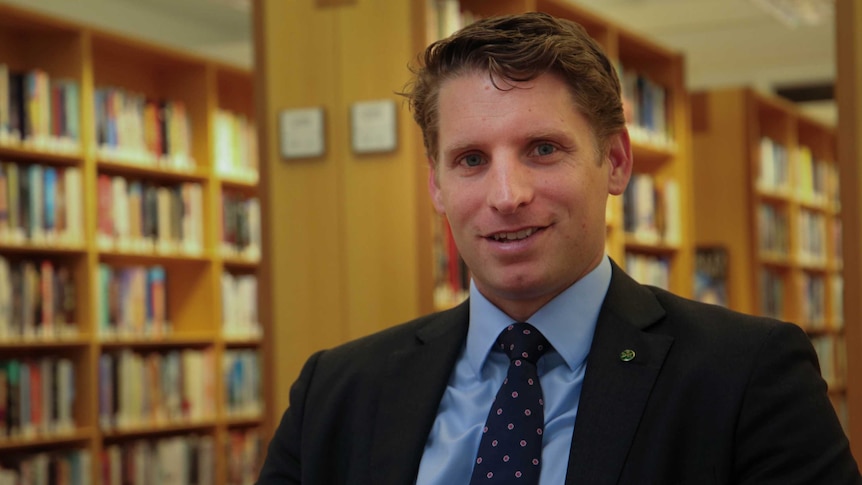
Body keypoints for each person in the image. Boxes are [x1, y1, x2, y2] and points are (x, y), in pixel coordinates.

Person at [257, 12, 861, 484]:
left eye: (543, 149)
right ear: (437, 187)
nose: (506, 194)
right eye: (471, 160)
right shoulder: (335, 391)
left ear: (616, 162)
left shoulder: (747, 376)